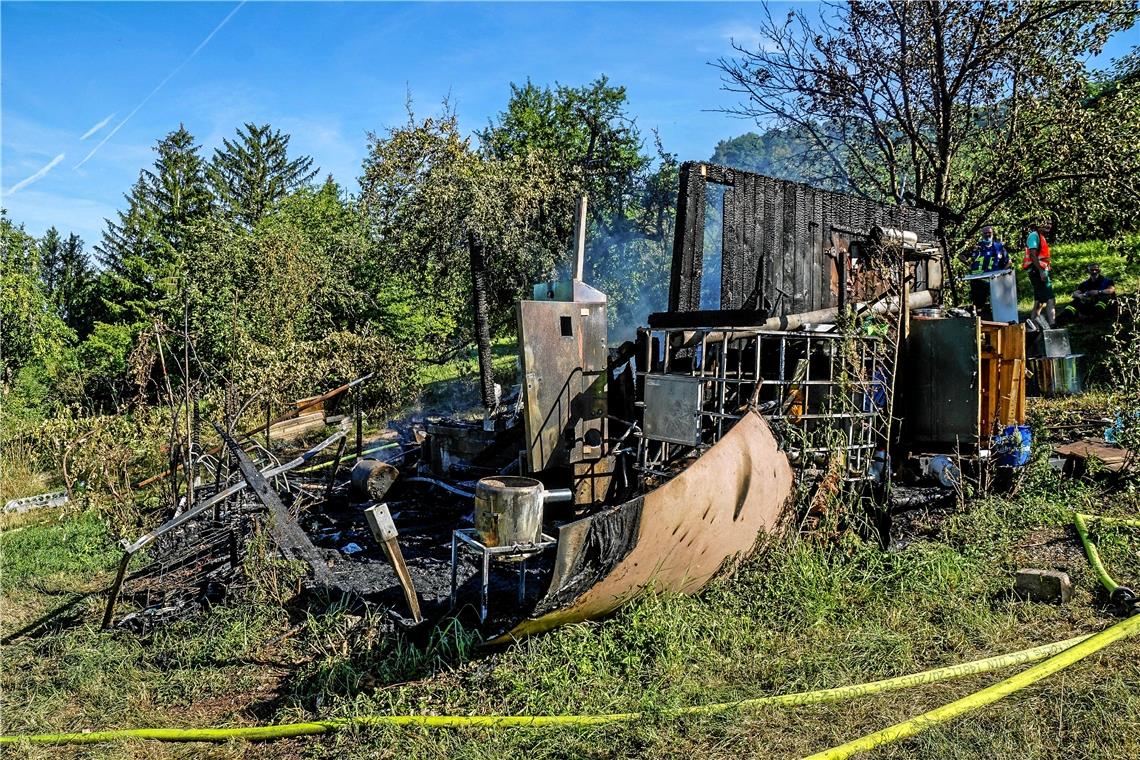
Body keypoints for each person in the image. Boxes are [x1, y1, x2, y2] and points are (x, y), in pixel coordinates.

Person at [963, 225, 1010, 319]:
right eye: (985, 233)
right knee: (978, 303)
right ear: (982, 234)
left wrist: (1002, 272)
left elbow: (1008, 261)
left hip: (994, 278)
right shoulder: (976, 246)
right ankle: (978, 322)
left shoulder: (999, 246)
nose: (987, 234)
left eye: (989, 232)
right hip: (978, 279)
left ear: (993, 233)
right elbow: (961, 255)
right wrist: (969, 264)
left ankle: (998, 320)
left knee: (997, 302)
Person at [1023, 219, 1055, 326]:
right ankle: (1053, 324)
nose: (1048, 226)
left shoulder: (1041, 237)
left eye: (1050, 224)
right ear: (1038, 225)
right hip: (1037, 271)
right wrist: (1041, 271)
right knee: (1050, 298)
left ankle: (1033, 324)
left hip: (1039, 270)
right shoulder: (1034, 236)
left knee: (1039, 301)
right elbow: (1033, 255)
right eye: (1045, 223)